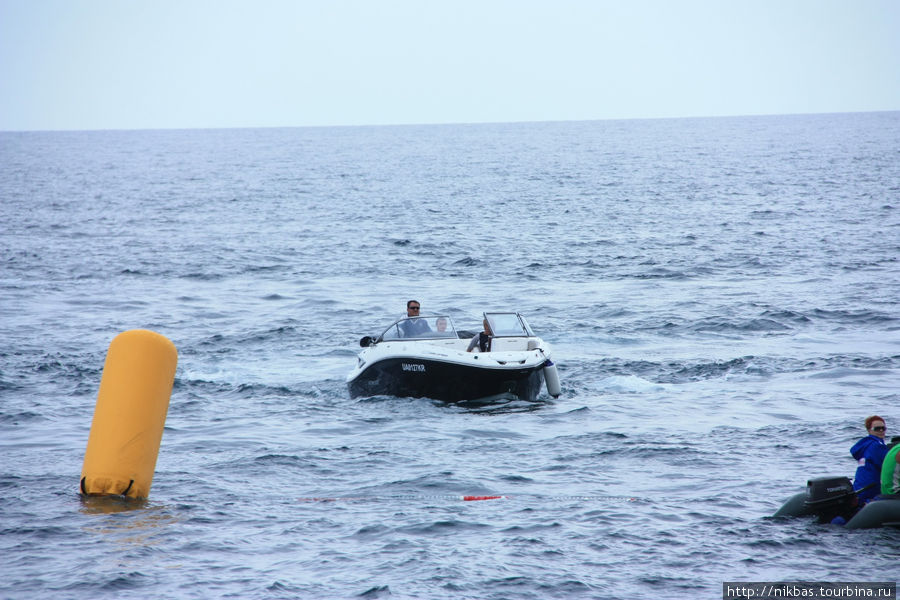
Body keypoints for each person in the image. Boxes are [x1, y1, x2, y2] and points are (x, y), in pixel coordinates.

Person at [850, 415, 888, 504]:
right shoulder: (877, 446)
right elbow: (889, 466)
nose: (881, 430)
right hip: (871, 493)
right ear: (869, 430)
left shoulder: (864, 446)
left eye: (883, 428)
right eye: (877, 428)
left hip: (859, 490)